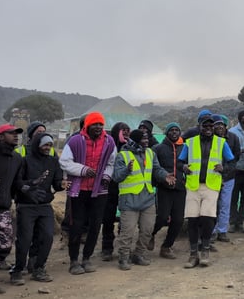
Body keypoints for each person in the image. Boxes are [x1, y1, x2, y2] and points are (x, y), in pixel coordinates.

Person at [59, 112, 117, 275]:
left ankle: (87, 258)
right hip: (79, 190)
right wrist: (83, 170)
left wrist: (106, 176)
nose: (98, 127)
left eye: (101, 124)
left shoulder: (109, 141)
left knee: (95, 225)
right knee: (76, 225)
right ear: (87, 125)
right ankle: (74, 260)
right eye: (95, 124)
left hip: (99, 190)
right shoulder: (75, 141)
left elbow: (111, 162)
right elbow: (64, 162)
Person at [177, 114, 235, 268]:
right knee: (192, 219)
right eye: (205, 126)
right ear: (200, 127)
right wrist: (183, 167)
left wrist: (224, 168)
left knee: (207, 219)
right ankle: (193, 254)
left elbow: (232, 162)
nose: (208, 128)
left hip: (211, 185)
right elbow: (179, 162)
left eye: (211, 126)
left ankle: (205, 250)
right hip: (193, 186)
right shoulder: (190, 143)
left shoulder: (221, 143)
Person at [112, 130, 174, 270]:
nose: (147, 141)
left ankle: (138, 254)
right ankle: (123, 258)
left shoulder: (150, 153)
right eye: (143, 139)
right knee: (127, 232)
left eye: (147, 139)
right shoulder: (123, 155)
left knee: (147, 230)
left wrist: (165, 176)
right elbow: (116, 177)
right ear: (135, 141)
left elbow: (157, 169)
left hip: (147, 199)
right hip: (129, 200)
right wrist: (126, 170)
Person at [11, 132, 65, 286]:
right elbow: (17, 182)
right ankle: (17, 270)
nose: (48, 148)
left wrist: (61, 185)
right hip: (26, 206)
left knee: (47, 237)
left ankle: (39, 268)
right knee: (25, 240)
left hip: (45, 206)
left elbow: (56, 183)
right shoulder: (25, 160)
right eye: (45, 145)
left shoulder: (53, 162)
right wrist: (31, 187)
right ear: (37, 145)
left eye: (50, 145)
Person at [151, 123, 187, 259]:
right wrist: (163, 178)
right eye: (171, 130)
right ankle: (150, 234)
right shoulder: (158, 148)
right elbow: (154, 168)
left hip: (180, 188)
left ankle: (166, 247)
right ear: (166, 133)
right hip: (164, 188)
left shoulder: (185, 148)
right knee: (162, 217)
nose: (174, 132)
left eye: (177, 130)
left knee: (178, 220)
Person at [0, 123, 26, 287]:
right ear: (1, 137)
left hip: (4, 207)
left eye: (17, 133)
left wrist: (27, 187)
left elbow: (16, 182)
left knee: (6, 243)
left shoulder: (17, 158)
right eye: (11, 133)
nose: (16, 135)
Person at [100, 122, 129, 261]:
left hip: (126, 188)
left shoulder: (130, 147)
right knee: (108, 219)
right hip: (110, 188)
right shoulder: (108, 145)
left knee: (126, 220)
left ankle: (124, 249)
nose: (126, 133)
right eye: (123, 130)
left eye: (128, 130)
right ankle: (107, 248)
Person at [211, 115, 239, 243]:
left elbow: (235, 159)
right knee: (212, 205)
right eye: (216, 124)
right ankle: (211, 231)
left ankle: (222, 231)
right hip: (212, 177)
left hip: (228, 178)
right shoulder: (208, 139)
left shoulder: (233, 138)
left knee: (225, 205)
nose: (219, 127)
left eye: (221, 124)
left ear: (225, 126)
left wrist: (224, 170)